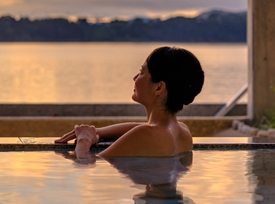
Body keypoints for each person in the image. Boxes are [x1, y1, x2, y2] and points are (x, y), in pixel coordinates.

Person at [56, 46, 205, 158]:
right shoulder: (183, 132)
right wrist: (98, 132)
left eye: (141, 72)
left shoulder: (147, 135)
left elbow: (86, 161)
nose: (135, 78)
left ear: (159, 87)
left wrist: (83, 140)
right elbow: (140, 128)